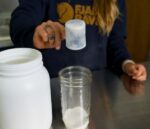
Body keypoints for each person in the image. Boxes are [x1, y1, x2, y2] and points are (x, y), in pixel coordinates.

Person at [10, 0, 147, 80]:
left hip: (96, 86)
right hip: (53, 84)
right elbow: (21, 19)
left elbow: (115, 43)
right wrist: (34, 35)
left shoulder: (113, 2)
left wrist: (127, 64)